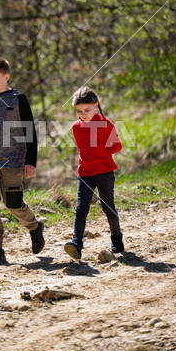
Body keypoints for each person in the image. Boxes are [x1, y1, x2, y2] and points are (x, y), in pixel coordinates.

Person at [0, 57, 45, 265]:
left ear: (6, 76)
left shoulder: (18, 98)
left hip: (13, 160)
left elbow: (29, 130)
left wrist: (30, 161)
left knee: (13, 203)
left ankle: (34, 227)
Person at [64, 86, 124, 260]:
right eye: (79, 111)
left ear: (96, 105)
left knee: (108, 207)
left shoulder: (106, 124)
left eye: (87, 110)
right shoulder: (76, 127)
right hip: (85, 173)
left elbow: (117, 146)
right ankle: (76, 243)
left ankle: (117, 239)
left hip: (104, 172)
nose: (83, 114)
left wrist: (102, 155)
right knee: (81, 208)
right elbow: (83, 149)